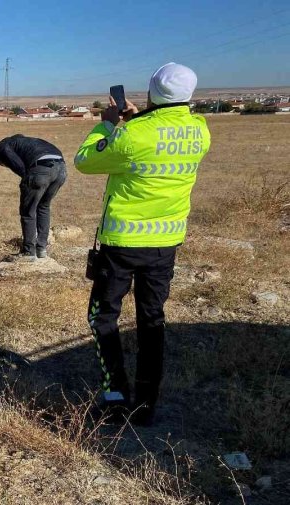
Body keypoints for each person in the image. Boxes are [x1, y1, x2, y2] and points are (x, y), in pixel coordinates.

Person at [74, 63, 211, 425]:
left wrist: (107, 123)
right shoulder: (200, 131)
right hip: (166, 243)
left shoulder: (132, 135)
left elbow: (86, 161)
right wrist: (138, 121)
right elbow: (162, 137)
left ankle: (115, 395)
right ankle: (147, 402)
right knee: (152, 318)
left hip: (122, 244)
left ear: (151, 92)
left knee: (103, 316)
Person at [0, 134, 67, 259]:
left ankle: (28, 252)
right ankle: (41, 249)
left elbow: (20, 168)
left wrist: (28, 179)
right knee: (43, 207)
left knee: (28, 211)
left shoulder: (2, 147)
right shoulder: (24, 142)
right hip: (61, 168)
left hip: (41, 168)